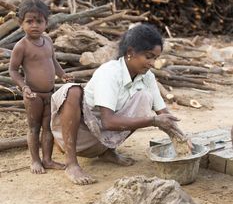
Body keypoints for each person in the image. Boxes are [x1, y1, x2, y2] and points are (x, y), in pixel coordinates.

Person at [51, 23, 186, 185]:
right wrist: (153, 121)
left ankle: (107, 151)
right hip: (80, 136)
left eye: (155, 58)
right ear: (130, 52)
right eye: (148, 56)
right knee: (72, 91)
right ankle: (71, 163)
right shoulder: (110, 72)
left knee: (144, 97)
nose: (152, 63)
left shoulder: (147, 77)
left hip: (101, 138)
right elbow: (108, 121)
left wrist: (182, 139)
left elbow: (163, 113)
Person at [9, 0, 72, 174]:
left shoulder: (48, 41)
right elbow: (13, 70)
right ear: (21, 23)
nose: (34, 25)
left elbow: (53, 61)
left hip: (49, 93)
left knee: (48, 127)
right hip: (33, 95)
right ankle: (35, 161)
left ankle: (47, 159)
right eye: (29, 21)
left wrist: (62, 75)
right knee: (34, 128)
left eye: (39, 21)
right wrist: (24, 87)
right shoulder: (21, 46)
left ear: (46, 23)